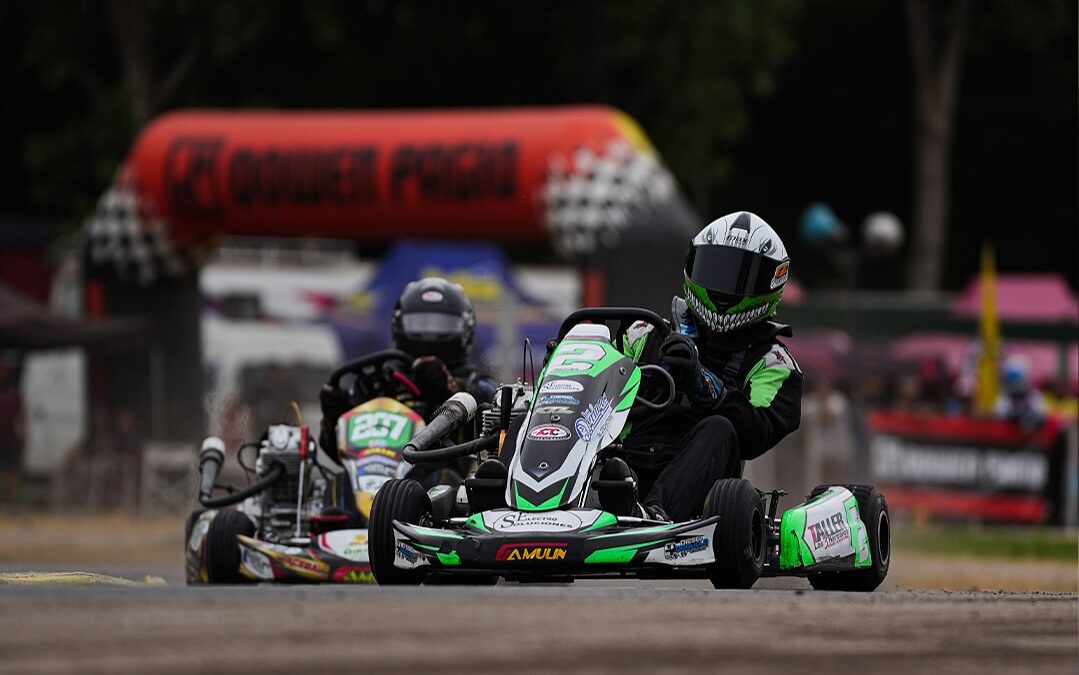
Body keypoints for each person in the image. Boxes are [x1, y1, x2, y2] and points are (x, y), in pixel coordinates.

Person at [606, 211, 803, 522]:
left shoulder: (771, 361)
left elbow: (757, 435)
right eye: (715, 270)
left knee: (720, 427)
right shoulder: (645, 334)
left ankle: (653, 514)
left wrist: (706, 386)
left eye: (740, 276)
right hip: (622, 468)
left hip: (697, 487)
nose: (723, 286)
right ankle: (519, 497)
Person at [318, 276, 496, 461]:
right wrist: (335, 418)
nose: (429, 332)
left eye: (440, 324)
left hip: (447, 481)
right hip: (378, 477)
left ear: (466, 328)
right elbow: (340, 457)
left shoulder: (478, 383)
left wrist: (451, 389)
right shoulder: (385, 381)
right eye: (421, 323)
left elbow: (492, 406)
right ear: (399, 325)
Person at [992, 355, 1048, 428]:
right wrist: (1014, 418)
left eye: (1016, 378)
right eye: (1010, 378)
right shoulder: (1004, 397)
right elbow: (999, 414)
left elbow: (1041, 415)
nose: (1014, 383)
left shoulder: (1034, 396)